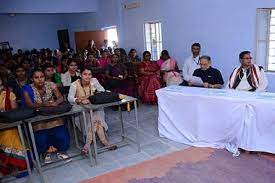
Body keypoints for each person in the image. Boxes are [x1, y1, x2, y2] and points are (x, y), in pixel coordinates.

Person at [22, 69, 70, 164]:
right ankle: (44, 152)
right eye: (36, 77)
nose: (40, 79)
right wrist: (43, 104)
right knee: (41, 137)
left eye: (42, 77)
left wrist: (55, 103)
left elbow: (60, 97)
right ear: (32, 79)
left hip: (52, 114)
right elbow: (29, 104)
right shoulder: (27, 89)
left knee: (61, 135)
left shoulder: (50, 84)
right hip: (38, 117)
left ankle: (60, 150)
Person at [67, 68, 117, 153]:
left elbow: (102, 90)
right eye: (85, 74)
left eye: (89, 74)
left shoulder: (94, 81)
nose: (88, 76)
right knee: (96, 120)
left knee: (96, 119)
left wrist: (92, 96)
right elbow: (70, 98)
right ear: (80, 75)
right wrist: (79, 100)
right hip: (82, 112)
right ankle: (105, 142)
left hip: (96, 108)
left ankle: (87, 145)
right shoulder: (74, 84)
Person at [0, 73, 29, 177]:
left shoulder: (9, 95)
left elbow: (14, 114)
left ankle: (16, 164)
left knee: (9, 135)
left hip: (9, 125)